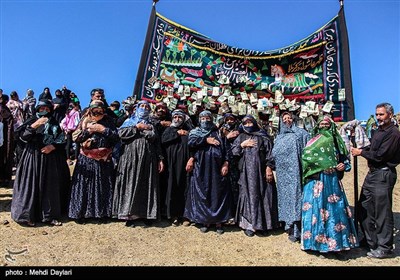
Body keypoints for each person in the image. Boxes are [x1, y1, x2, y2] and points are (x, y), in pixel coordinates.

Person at [301, 116, 358, 253]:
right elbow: (306, 158)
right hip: (316, 181)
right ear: (318, 125)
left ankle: (337, 243)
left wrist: (342, 165)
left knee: (334, 211)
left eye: (327, 123)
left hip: (332, 180)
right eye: (322, 123)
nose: (324, 125)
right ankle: (314, 243)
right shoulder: (312, 140)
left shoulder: (337, 140)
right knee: (316, 210)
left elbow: (345, 159)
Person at [351, 102, 400, 259]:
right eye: (377, 114)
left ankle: (385, 247)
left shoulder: (393, 133)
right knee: (364, 207)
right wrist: (362, 149)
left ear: (390, 115)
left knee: (382, 212)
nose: (378, 117)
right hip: (372, 174)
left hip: (383, 174)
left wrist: (361, 153)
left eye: (382, 114)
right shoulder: (378, 131)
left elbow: (380, 156)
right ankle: (369, 240)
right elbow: (372, 149)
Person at [11, 100, 70, 226]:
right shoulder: (31, 120)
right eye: (42, 108)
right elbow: (21, 138)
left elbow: (62, 141)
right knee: (30, 185)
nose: (45, 111)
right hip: (32, 158)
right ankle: (28, 216)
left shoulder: (54, 123)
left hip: (50, 159)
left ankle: (49, 216)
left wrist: (52, 146)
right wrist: (34, 126)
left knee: (50, 188)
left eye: (48, 109)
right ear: (37, 109)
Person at [112, 100, 164, 227]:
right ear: (136, 108)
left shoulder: (152, 125)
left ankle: (146, 214)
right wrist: (137, 128)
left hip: (148, 158)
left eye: (147, 107)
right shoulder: (129, 121)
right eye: (142, 106)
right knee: (130, 182)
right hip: (130, 156)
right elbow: (120, 134)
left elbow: (157, 142)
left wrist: (160, 159)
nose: (144, 108)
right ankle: (129, 214)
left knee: (147, 184)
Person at [68, 100, 119, 223]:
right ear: (91, 109)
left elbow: (116, 137)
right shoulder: (84, 120)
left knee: (103, 186)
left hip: (103, 159)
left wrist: (103, 130)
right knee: (83, 186)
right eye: (95, 109)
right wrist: (89, 131)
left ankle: (101, 213)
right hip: (86, 159)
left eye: (100, 109)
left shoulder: (109, 121)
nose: (98, 111)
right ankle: (80, 214)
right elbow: (76, 138)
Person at [183, 110, 232, 234]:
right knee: (203, 193)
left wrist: (226, 163)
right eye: (203, 118)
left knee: (218, 194)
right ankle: (205, 221)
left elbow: (227, 149)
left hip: (217, 168)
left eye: (208, 118)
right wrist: (206, 140)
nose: (205, 120)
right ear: (199, 120)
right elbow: (191, 143)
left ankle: (219, 222)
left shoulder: (219, 133)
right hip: (201, 168)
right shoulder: (195, 132)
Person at [231, 115, 278, 237]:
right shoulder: (241, 137)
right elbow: (233, 152)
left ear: (254, 123)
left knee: (263, 196)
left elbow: (270, 153)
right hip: (245, 174)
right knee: (248, 196)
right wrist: (242, 145)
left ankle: (264, 224)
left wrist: (269, 168)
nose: (248, 125)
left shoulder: (263, 137)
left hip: (261, 173)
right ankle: (250, 225)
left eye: (250, 123)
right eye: (245, 123)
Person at [272, 111, 310, 242]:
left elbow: (308, 151)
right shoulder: (279, 136)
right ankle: (288, 225)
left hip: (296, 173)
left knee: (296, 199)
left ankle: (297, 229)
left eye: (289, 118)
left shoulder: (301, 133)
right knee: (285, 200)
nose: (287, 120)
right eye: (284, 118)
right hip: (282, 175)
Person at [161, 109, 194, 225]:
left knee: (185, 187)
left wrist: (191, 158)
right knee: (171, 187)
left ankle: (185, 215)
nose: (177, 119)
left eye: (180, 117)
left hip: (186, 163)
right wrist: (176, 133)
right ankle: (172, 215)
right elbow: (163, 141)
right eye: (175, 117)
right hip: (171, 164)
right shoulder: (168, 130)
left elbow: (194, 146)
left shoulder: (189, 131)